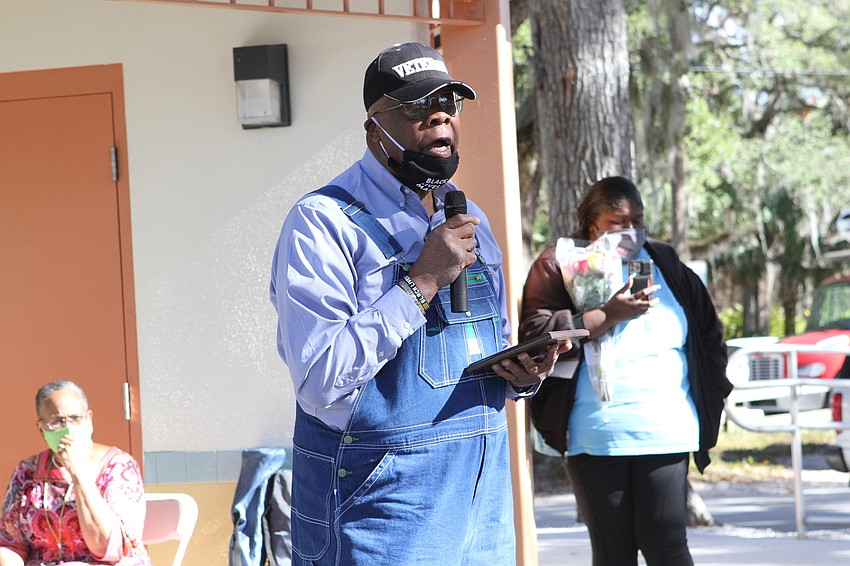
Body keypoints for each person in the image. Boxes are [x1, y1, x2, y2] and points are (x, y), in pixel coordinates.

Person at [269, 42, 572, 565]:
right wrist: (423, 280)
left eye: (448, 103)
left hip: (482, 511)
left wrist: (521, 374)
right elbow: (320, 378)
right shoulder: (321, 223)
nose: (439, 116)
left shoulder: (469, 217)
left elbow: (486, 345)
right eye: (416, 106)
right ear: (374, 129)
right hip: (383, 518)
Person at [519, 176, 732, 566]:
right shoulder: (560, 263)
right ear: (592, 223)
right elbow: (535, 336)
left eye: (637, 220)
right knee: (613, 551)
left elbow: (708, 334)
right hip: (597, 434)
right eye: (618, 222)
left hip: (665, 431)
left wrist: (710, 393)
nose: (631, 230)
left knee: (667, 546)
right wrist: (607, 314)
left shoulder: (665, 262)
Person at [0, 380, 151, 566]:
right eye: (57, 421)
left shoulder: (118, 466)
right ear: (41, 429)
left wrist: (78, 472)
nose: (68, 428)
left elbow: (109, 548)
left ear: (89, 419)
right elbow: (10, 542)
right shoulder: (27, 471)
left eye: (75, 418)